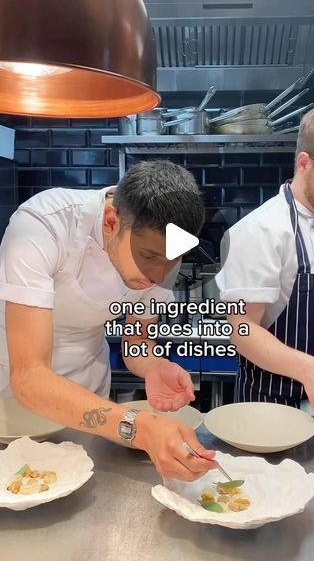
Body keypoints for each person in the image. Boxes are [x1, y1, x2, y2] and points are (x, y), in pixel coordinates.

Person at [0, 160, 216, 480]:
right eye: (149, 257)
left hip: (92, 402)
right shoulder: (43, 225)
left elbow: (138, 343)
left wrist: (154, 367)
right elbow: (29, 377)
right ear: (112, 221)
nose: (158, 277)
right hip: (14, 401)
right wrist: (138, 428)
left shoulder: (160, 256)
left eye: (172, 262)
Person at [216, 102, 314, 445]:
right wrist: (311, 370)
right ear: (304, 162)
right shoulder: (259, 231)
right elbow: (242, 330)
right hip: (267, 413)